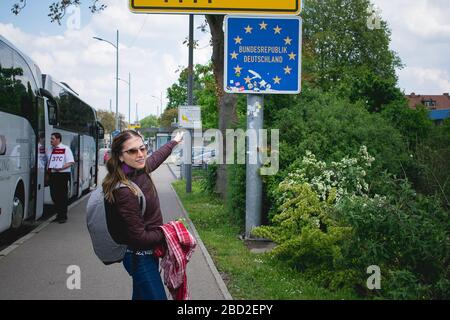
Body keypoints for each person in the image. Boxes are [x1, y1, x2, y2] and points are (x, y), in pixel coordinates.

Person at [102, 130, 184, 300]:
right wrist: (169, 231)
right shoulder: (124, 190)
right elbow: (139, 237)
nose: (140, 154)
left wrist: (174, 141)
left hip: (148, 254)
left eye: (143, 148)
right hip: (139, 257)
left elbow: (156, 158)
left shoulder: (139, 169)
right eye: (132, 151)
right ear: (120, 156)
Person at [47, 133, 75, 224]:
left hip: (62, 174)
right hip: (53, 174)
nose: (51, 140)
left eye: (52, 139)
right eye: (51, 139)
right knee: (54, 195)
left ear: (58, 139)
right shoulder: (50, 149)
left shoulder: (66, 149)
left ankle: (63, 216)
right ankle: (58, 214)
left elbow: (71, 162)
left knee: (62, 195)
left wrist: (61, 167)